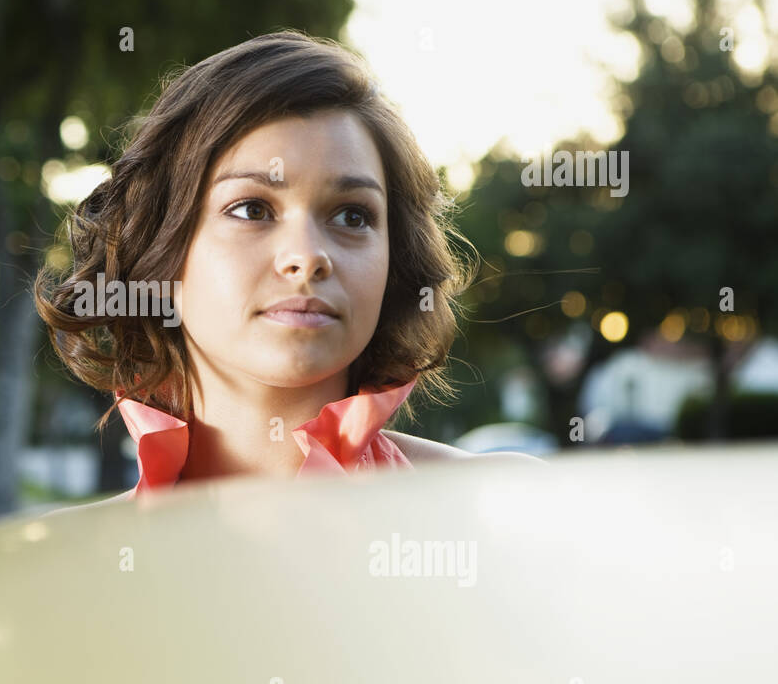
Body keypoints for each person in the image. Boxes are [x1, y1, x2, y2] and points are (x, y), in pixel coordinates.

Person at [33, 30, 539, 508]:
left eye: (352, 215)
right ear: (160, 256)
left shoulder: (502, 508)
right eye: (252, 209)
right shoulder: (62, 571)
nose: (308, 256)